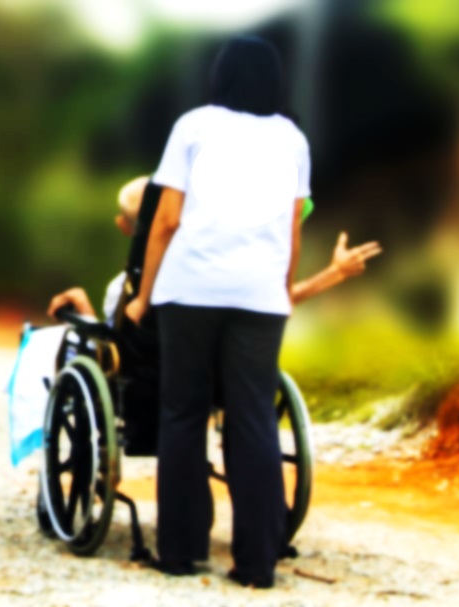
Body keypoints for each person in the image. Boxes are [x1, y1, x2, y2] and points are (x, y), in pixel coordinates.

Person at [122, 36, 343, 588]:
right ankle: (257, 563)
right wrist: (280, 289)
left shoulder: (194, 126)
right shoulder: (292, 139)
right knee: (251, 421)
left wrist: (145, 295)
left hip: (190, 291)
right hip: (259, 298)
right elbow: (291, 227)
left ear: (221, 77)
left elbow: (166, 220)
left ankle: (179, 550)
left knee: (183, 415)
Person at [48, 176, 381, 323]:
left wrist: (82, 305)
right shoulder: (215, 268)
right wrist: (334, 273)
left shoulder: (123, 293)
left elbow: (110, 358)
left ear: (124, 227)